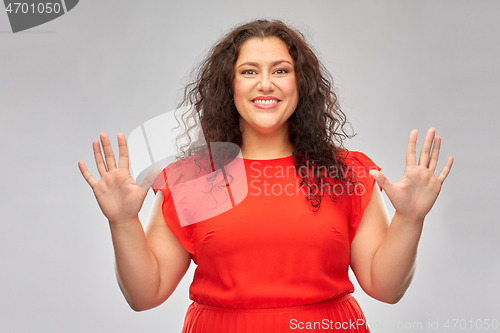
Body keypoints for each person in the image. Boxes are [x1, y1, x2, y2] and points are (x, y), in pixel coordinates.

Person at [78, 19, 453, 332]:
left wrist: (409, 219)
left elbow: (385, 288)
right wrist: (123, 221)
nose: (266, 84)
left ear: (299, 84)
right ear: (230, 86)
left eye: (281, 70)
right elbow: (146, 295)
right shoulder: (192, 179)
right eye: (249, 72)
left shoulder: (344, 172)